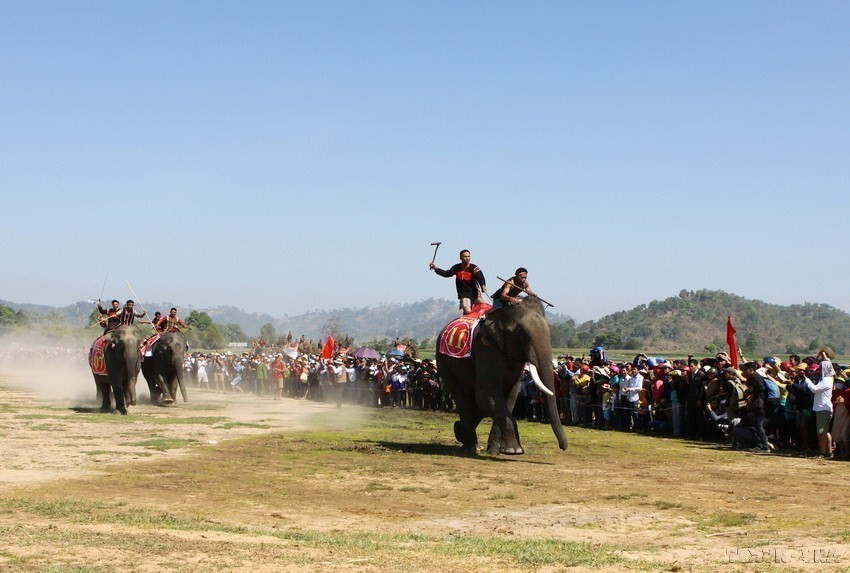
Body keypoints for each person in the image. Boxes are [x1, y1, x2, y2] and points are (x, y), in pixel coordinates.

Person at [430, 249, 487, 314]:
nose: (467, 258)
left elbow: (481, 278)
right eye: (465, 256)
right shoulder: (456, 268)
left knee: (485, 308)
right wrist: (436, 268)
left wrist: (483, 286)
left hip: (476, 294)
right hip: (464, 295)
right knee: (468, 311)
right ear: (460, 258)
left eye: (468, 256)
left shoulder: (474, 268)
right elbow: (446, 274)